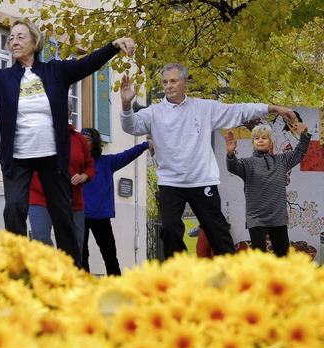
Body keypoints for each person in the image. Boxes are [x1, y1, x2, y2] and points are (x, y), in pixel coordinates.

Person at [0, 19, 136, 267]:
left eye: (20, 37)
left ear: (35, 43)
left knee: (62, 216)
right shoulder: (2, 78)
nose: (14, 41)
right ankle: (16, 268)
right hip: (17, 159)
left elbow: (86, 64)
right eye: (11, 37)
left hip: (52, 158)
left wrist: (113, 46)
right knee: (14, 209)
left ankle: (71, 271)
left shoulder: (55, 71)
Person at [119, 63, 297, 259]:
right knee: (169, 230)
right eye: (164, 82)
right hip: (171, 182)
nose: (168, 86)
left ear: (185, 82)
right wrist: (127, 106)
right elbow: (131, 127)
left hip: (202, 181)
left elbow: (239, 111)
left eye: (173, 81)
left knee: (217, 233)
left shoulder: (204, 108)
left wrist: (273, 108)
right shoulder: (154, 113)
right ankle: (179, 275)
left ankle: (230, 276)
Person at [225, 122, 310, 257]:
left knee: (282, 256)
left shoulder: (281, 160)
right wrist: (230, 153)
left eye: (264, 138)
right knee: (260, 259)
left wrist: (304, 135)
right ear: (253, 142)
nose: (260, 140)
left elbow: (299, 152)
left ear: (270, 142)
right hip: (256, 217)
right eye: (257, 138)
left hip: (278, 216)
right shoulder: (247, 163)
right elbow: (233, 167)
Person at [80, 128, 152, 275]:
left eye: (88, 140)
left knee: (109, 254)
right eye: (81, 141)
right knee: (81, 254)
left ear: (95, 144)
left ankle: (116, 285)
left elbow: (127, 155)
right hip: (79, 215)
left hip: (101, 216)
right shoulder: (75, 164)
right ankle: (83, 287)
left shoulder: (107, 162)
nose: (84, 144)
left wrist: (145, 145)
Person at [28, 100, 95, 251]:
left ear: (69, 114)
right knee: (40, 239)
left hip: (72, 200)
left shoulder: (79, 140)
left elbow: (89, 166)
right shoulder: (37, 134)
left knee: (74, 246)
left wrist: (83, 176)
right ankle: (49, 271)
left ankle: (65, 272)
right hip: (41, 196)